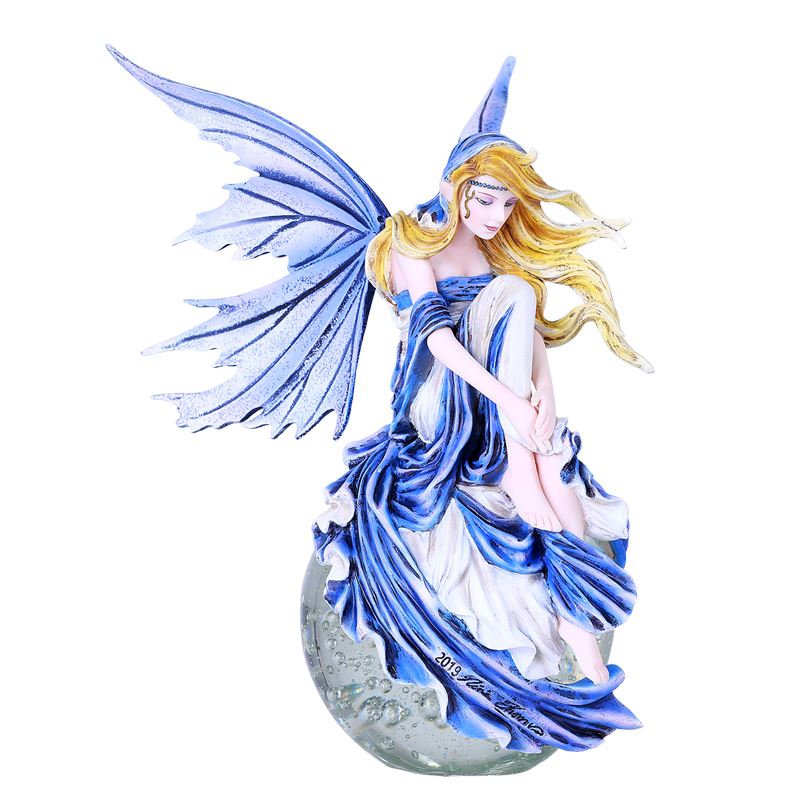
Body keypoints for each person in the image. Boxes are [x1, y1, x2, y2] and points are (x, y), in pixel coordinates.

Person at [108, 46, 649, 755]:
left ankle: (588, 662)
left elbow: (529, 331)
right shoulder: (409, 243)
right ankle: (524, 485)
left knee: (559, 480)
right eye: (484, 198)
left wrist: (541, 401)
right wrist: (511, 405)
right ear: (457, 189)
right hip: (440, 402)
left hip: (507, 407)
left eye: (508, 202)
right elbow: (438, 340)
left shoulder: (496, 257)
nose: (495, 215)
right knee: (530, 428)